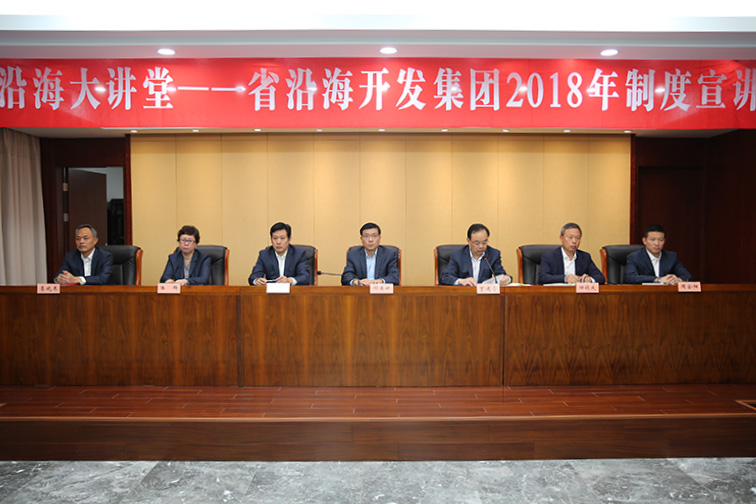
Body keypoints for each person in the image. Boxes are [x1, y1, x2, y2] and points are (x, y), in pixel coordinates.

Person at [440, 223, 512, 286]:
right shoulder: (458, 255)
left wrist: (507, 279)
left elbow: (502, 275)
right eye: (477, 243)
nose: (481, 246)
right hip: (464, 295)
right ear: (468, 241)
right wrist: (461, 281)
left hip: (485, 295)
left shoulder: (493, 254)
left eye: (484, 242)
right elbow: (445, 277)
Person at [538, 222, 605, 284]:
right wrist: (565, 278)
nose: (574, 241)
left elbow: (601, 278)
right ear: (561, 238)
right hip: (558, 292)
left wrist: (590, 279)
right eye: (570, 237)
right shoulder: (549, 257)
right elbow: (542, 278)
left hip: (578, 293)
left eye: (577, 238)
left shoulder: (585, 257)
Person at [624, 224, 692, 284]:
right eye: (652, 240)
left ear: (664, 241)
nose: (657, 243)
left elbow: (688, 276)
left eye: (660, 240)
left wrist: (679, 280)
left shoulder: (671, 257)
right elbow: (630, 278)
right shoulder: (635, 257)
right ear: (644, 241)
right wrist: (658, 280)